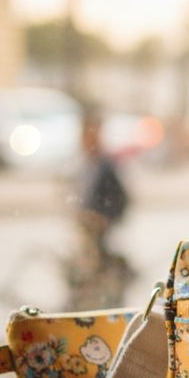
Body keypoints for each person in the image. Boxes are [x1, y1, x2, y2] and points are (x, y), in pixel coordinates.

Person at [66, 111, 133, 309]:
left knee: (97, 274)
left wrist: (104, 217)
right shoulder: (85, 163)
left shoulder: (105, 165)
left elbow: (121, 199)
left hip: (99, 231)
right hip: (86, 230)